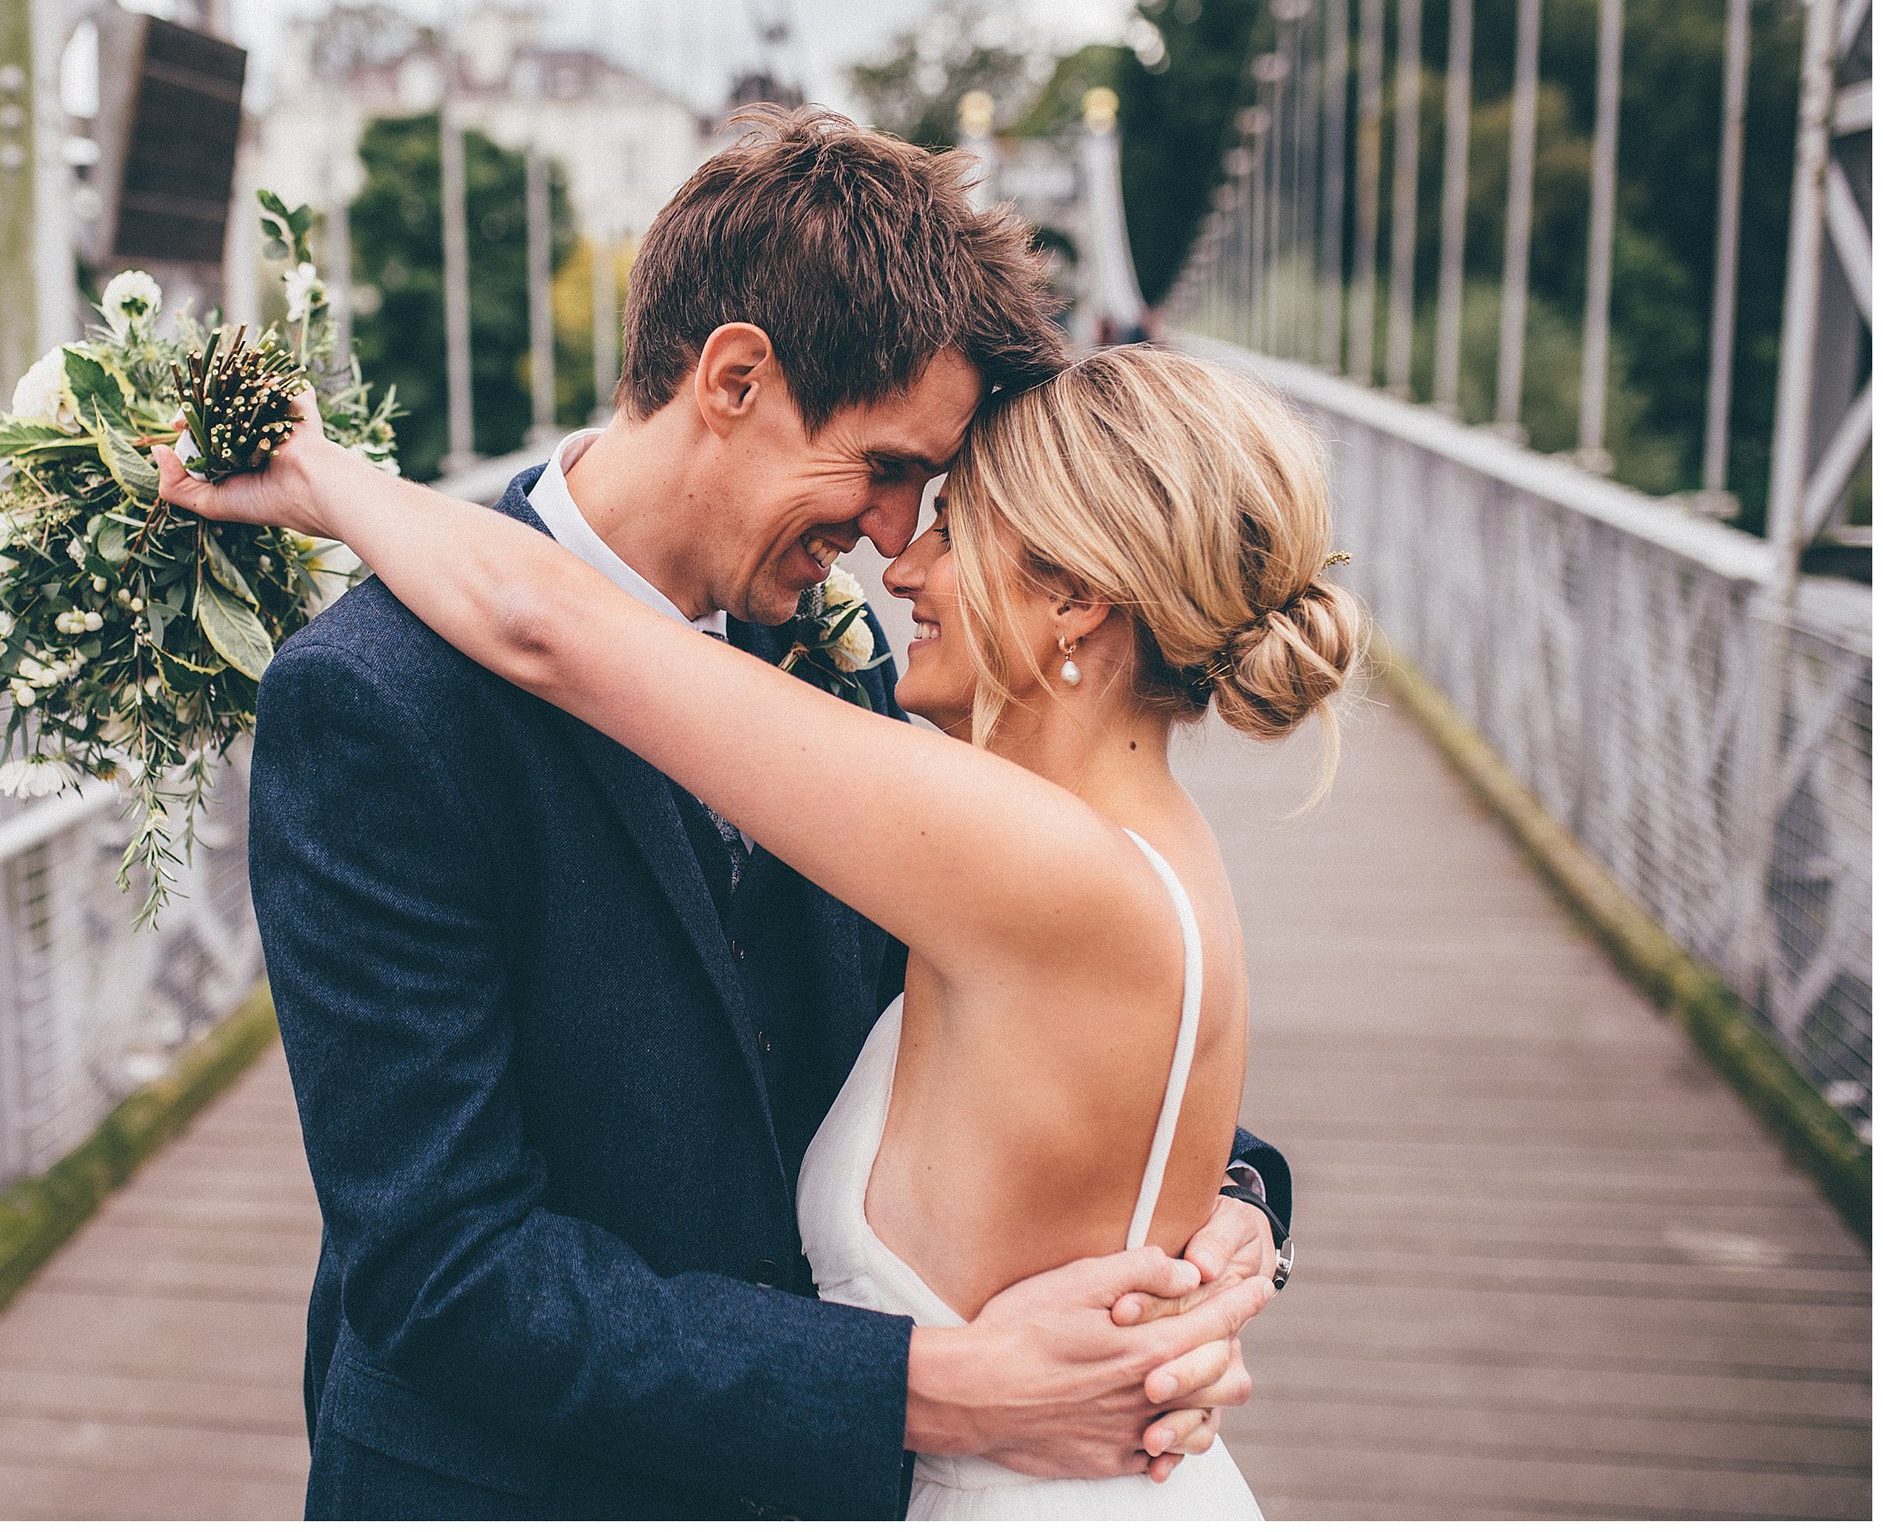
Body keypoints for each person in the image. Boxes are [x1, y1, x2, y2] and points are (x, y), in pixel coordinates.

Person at [164, 109, 1295, 1519]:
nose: (893, 545)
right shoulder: (376, 700)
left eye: (930, 494)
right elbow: (445, 1271)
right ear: (737, 375)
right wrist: (932, 1389)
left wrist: (1221, 1207)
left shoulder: (833, 655)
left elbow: (1004, 1012)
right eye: (885, 468)